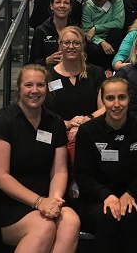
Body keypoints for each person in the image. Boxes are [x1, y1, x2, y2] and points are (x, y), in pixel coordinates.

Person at [0, 64, 80, 253]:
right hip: (3, 202)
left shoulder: (54, 121)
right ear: (19, 88)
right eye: (28, 85)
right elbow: (0, 176)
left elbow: (60, 170)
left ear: (47, 89)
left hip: (45, 197)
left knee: (71, 222)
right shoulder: (3, 120)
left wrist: (54, 200)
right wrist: (40, 202)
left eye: (40, 85)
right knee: (44, 227)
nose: (34, 90)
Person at [74, 76, 137, 253]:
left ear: (129, 98)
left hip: (134, 198)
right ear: (103, 100)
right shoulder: (88, 130)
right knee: (108, 217)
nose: (116, 104)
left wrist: (130, 193)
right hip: (95, 199)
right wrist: (106, 195)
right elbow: (83, 175)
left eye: (122, 97)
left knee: (130, 217)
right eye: (110, 98)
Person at [45, 26, 105, 168]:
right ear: (59, 45)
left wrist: (85, 121)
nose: (71, 47)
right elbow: (42, 111)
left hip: (89, 130)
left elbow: (105, 108)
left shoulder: (96, 72)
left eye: (76, 43)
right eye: (66, 43)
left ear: (83, 46)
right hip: (56, 131)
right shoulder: (47, 74)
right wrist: (68, 124)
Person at [82, 0, 125, 69]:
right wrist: (101, 42)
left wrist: (96, 28)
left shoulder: (117, 1)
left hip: (112, 38)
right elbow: (87, 32)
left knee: (116, 32)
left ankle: (111, 68)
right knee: (93, 49)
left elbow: (119, 23)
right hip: (95, 41)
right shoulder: (88, 6)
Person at [29, 0, 75, 66]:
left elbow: (84, 58)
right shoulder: (41, 31)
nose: (62, 5)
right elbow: (32, 62)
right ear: (51, 6)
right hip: (47, 73)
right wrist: (46, 61)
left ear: (70, 8)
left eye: (66, 3)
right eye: (58, 2)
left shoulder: (76, 31)